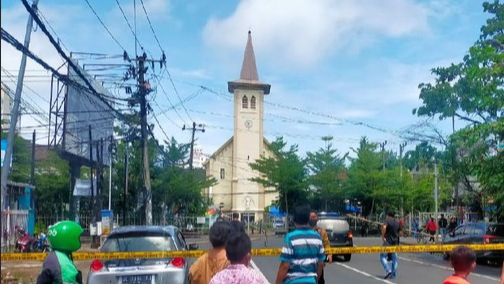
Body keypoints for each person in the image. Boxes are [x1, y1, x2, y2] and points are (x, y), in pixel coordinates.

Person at [275, 204, 325, 284]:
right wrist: (315, 280)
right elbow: (321, 263)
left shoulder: (290, 237)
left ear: (294, 219)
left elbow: (285, 266)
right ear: (308, 219)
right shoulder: (317, 237)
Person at [309, 211, 332, 284]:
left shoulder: (322, 231)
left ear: (317, 218)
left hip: (318, 262)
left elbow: (326, 243)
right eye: (311, 217)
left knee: (320, 280)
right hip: (306, 263)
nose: (312, 218)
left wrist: (329, 254)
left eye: (314, 217)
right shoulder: (304, 231)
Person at [380, 212, 402, 280]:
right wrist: (396, 236)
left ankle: (387, 270)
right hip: (395, 243)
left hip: (387, 242)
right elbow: (401, 233)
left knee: (382, 256)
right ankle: (393, 274)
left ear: (388, 216)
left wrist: (383, 236)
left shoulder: (387, 221)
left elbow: (384, 227)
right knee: (394, 259)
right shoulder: (397, 222)